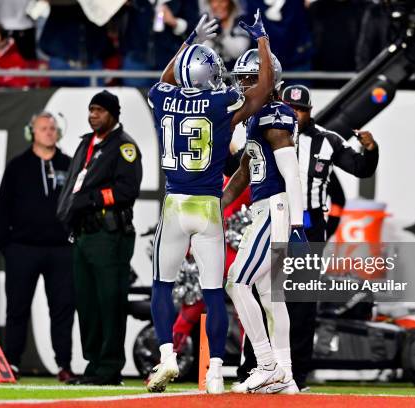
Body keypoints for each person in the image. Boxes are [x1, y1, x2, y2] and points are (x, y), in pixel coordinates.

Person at [146, 10, 275, 394]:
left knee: (160, 285)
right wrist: (262, 39)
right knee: (214, 293)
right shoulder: (220, 104)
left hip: (174, 205)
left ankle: (168, 355)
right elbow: (264, 87)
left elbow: (167, 78)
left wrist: (187, 42)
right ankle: (215, 371)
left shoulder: (161, 96)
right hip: (207, 206)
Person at [281, 83, 379, 390]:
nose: (295, 115)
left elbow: (360, 169)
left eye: (300, 110)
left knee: (302, 301)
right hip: (273, 219)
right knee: (263, 296)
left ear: (309, 113)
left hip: (309, 227)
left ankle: (296, 375)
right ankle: (254, 368)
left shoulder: (327, 140)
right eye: (290, 109)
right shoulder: (267, 135)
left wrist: (370, 149)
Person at [220, 48, 307, 394]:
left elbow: (291, 174)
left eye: (249, 78)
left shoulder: (275, 115)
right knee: (271, 296)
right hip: (268, 207)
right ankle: (285, 375)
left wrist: (298, 225)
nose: (242, 85)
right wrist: (220, 204)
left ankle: (267, 363)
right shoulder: (256, 116)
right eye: (241, 78)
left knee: (237, 281)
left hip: (276, 208)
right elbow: (244, 170)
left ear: (268, 82)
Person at [57, 90, 142, 385]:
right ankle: (94, 365)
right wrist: (67, 212)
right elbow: (72, 185)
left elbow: (127, 190)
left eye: (99, 110)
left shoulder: (124, 147)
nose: (93, 115)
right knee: (87, 303)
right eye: (91, 110)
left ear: (113, 114)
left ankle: (109, 368)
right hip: (83, 234)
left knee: (109, 302)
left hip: (108, 235)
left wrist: (93, 199)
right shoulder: (86, 143)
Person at [0, 112, 74, 382]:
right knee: (17, 309)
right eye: (43, 128)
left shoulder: (69, 164)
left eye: (52, 128)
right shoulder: (17, 166)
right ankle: (11, 363)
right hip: (22, 250)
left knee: (62, 309)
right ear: (32, 132)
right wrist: (7, 246)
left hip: (61, 251)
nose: (49, 132)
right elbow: (2, 209)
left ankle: (64, 365)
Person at [204, 0, 250, 70]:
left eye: (223, 1)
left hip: (235, 73)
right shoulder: (204, 23)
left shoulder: (241, 23)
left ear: (231, 3)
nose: (219, 5)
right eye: (215, 1)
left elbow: (238, 52)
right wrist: (210, 35)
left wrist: (222, 36)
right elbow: (200, 53)